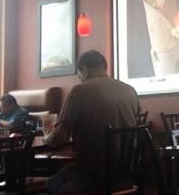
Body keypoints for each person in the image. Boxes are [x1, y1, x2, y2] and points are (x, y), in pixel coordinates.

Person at [44, 50, 140, 194]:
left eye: (79, 75)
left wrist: (46, 138)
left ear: (85, 71)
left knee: (53, 183)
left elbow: (59, 138)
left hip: (94, 176)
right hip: (127, 174)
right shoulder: (130, 90)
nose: (80, 80)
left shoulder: (80, 91)